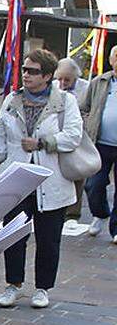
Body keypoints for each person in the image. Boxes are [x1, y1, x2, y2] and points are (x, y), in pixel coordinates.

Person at [0, 49, 83, 309]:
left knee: (48, 238)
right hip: (17, 181)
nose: (26, 75)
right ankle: (13, 285)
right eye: (24, 69)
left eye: (32, 71)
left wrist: (43, 143)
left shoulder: (64, 102)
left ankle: (42, 288)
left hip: (51, 182)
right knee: (13, 234)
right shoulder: (13, 99)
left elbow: (74, 135)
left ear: (47, 76)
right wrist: (1, 161)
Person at [79, 45, 117, 241]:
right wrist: (90, 123)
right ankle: (100, 214)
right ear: (111, 61)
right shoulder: (100, 82)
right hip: (100, 143)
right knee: (94, 184)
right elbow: (84, 108)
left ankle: (116, 229)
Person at [56, 58, 88, 218]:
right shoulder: (54, 87)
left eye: (67, 80)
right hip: (57, 135)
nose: (62, 83)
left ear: (75, 77)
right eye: (59, 79)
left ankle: (73, 211)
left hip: (78, 136)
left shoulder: (85, 87)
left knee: (76, 172)